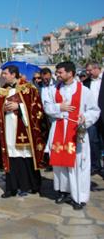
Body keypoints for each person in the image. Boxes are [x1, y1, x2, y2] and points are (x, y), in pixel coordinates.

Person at [44, 61, 100, 210]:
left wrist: (85, 118)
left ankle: (79, 197)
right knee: (59, 164)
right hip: (59, 129)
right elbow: (47, 107)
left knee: (77, 165)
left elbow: (94, 110)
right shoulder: (53, 89)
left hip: (76, 130)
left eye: (60, 72)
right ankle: (63, 191)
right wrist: (58, 107)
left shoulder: (84, 90)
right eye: (57, 72)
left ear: (70, 73)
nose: (58, 75)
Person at [0, 65, 46, 198]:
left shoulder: (29, 88)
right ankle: (11, 188)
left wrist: (20, 106)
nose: (3, 76)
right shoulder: (3, 91)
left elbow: (38, 109)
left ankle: (29, 186)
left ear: (13, 74)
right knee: (11, 158)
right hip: (8, 130)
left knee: (25, 157)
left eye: (5, 73)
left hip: (24, 129)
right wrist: (2, 110)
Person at [83, 62, 104, 175]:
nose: (88, 73)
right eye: (87, 70)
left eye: (89, 70)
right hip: (92, 116)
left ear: (96, 69)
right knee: (92, 140)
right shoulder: (86, 83)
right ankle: (95, 165)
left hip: (103, 115)